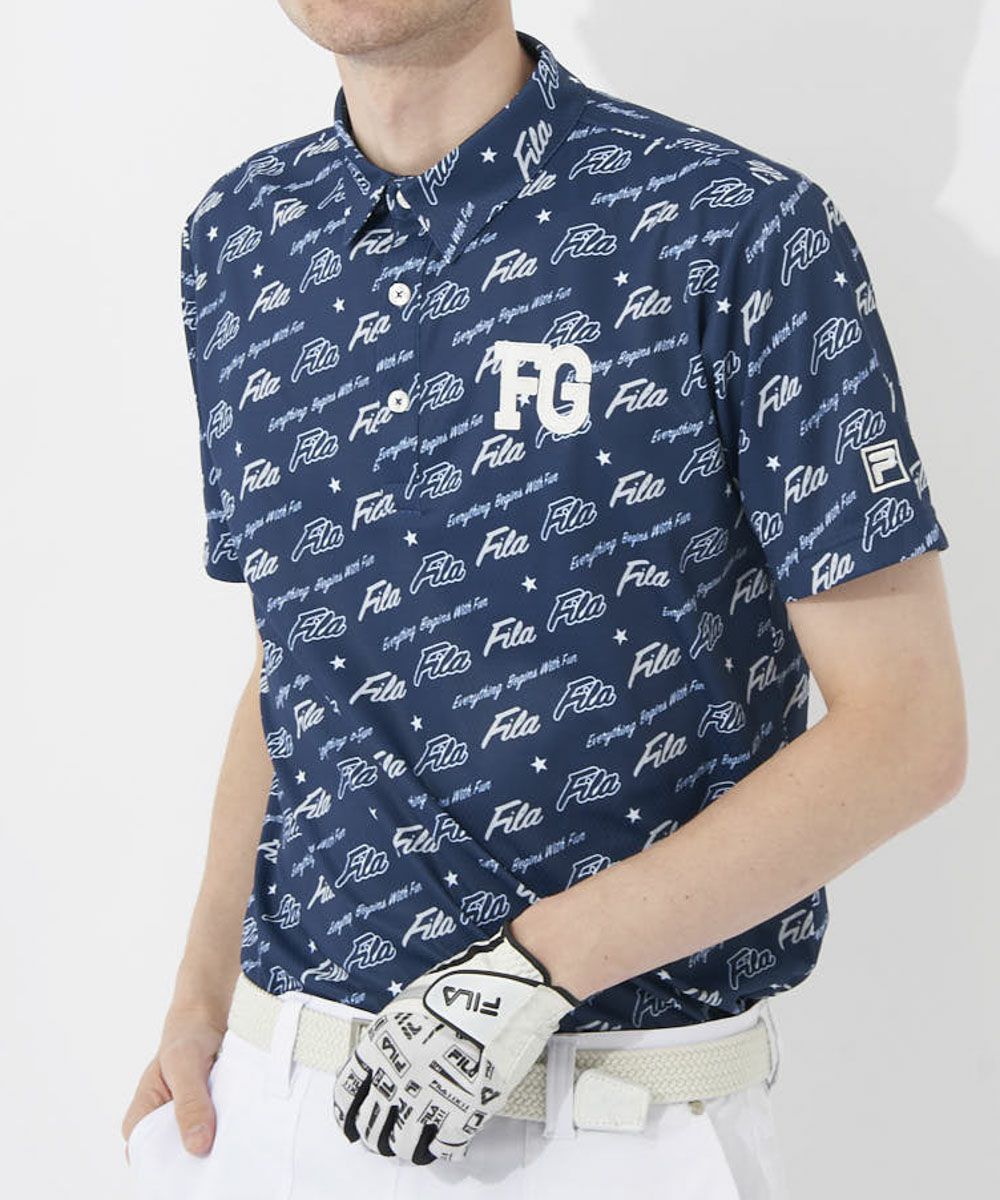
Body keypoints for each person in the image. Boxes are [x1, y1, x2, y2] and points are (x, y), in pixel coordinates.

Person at [121, 2, 966, 1196]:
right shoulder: (242, 238)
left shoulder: (736, 230)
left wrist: (532, 968)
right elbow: (297, 656)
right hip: (278, 1103)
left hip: (612, 1123)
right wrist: (200, 997)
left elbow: (906, 732)